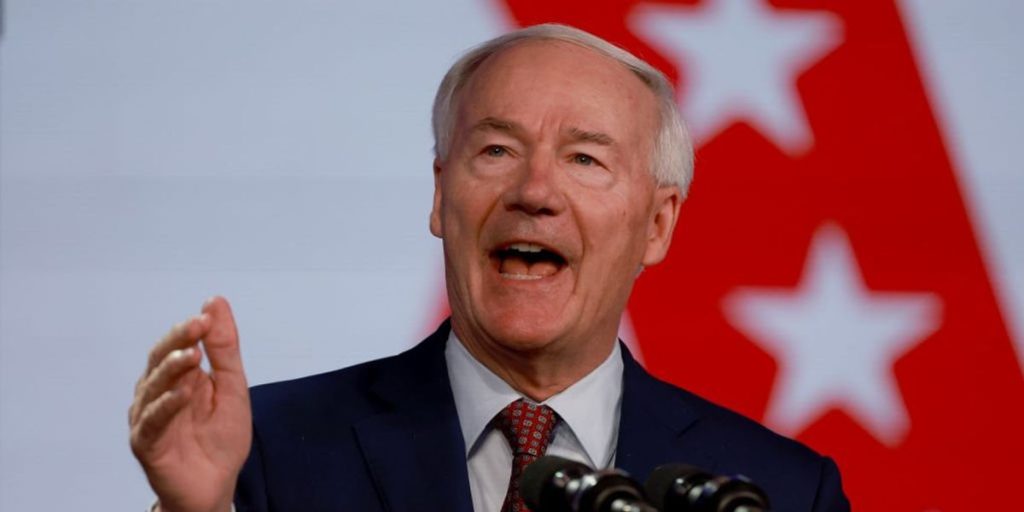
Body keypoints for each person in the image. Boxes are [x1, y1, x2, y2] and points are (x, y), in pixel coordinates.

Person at [129, 24, 850, 512]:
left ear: (657, 225)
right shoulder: (268, 449)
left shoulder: (778, 492)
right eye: (497, 151)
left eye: (584, 159)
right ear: (440, 196)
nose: (535, 192)